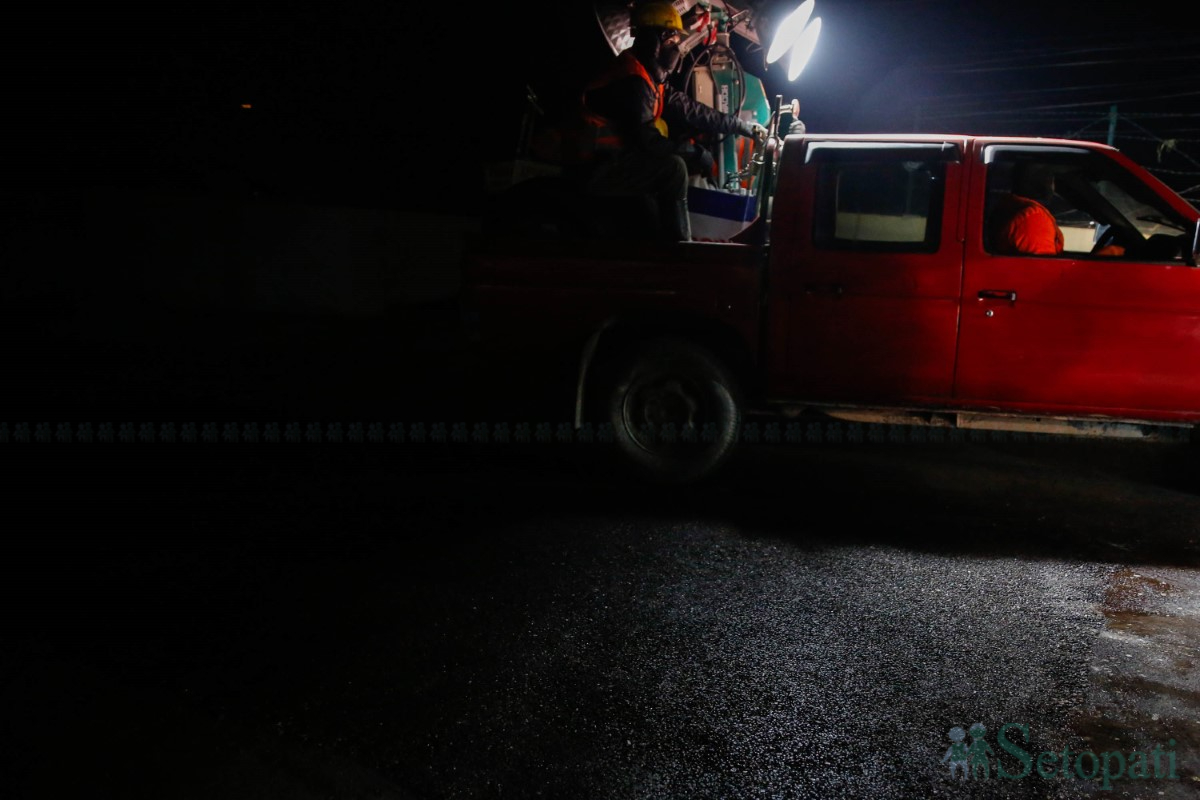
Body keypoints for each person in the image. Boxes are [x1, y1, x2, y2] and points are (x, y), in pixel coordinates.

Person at [567, 1, 768, 242]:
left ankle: (666, 241)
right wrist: (695, 153)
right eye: (670, 41)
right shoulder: (633, 82)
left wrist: (742, 127)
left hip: (614, 163)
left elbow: (694, 110)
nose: (675, 49)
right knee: (673, 169)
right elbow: (648, 144)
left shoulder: (650, 80)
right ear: (652, 42)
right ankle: (682, 248)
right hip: (595, 169)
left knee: (671, 169)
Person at [988, 161, 1124, 256]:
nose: (1053, 185)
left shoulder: (1010, 207)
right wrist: (1105, 255)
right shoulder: (1032, 218)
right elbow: (1045, 274)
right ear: (1043, 180)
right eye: (1051, 178)